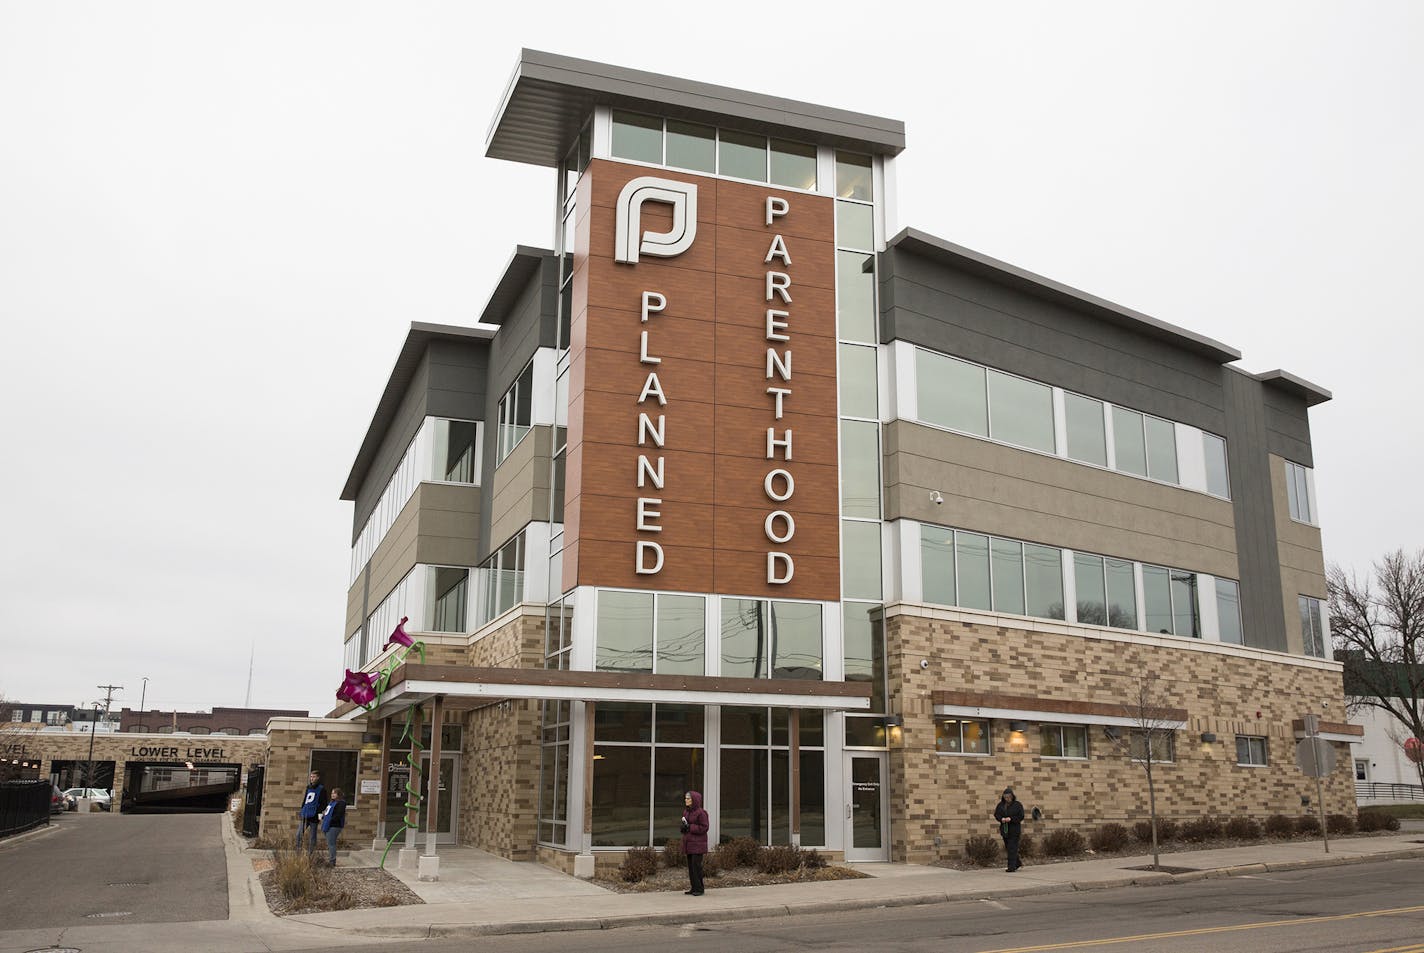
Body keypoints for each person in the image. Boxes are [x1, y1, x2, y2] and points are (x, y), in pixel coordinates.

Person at [680, 790, 709, 896]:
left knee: (696, 867)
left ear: (694, 800)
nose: (686, 800)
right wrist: (683, 828)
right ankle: (694, 887)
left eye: (688, 798)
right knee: (691, 867)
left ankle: (700, 888)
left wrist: (690, 827)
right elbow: (685, 828)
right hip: (689, 844)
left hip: (698, 845)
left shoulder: (701, 813)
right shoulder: (686, 812)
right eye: (686, 798)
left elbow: (704, 827)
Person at [994, 786, 1025, 872]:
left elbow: (1021, 816)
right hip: (1005, 830)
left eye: (1008, 797)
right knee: (1009, 848)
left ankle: (1011, 867)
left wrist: (1011, 819)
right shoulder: (1000, 805)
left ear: (1012, 796)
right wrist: (1001, 819)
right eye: (1005, 797)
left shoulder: (1017, 805)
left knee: (1012, 847)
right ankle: (1017, 863)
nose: (1007, 799)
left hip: (1014, 830)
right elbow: (997, 814)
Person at [296, 770, 327, 853]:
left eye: (313, 777)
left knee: (312, 837)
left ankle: (311, 854)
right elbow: (305, 800)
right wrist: (302, 809)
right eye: (311, 777)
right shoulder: (308, 787)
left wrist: (318, 812)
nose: (311, 778)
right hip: (305, 815)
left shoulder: (322, 789)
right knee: (298, 834)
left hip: (314, 816)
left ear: (317, 777)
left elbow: (324, 803)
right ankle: (298, 851)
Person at [321, 787, 347, 866]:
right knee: (329, 843)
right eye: (332, 793)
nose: (332, 795)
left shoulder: (341, 803)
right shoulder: (331, 803)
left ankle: (332, 861)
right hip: (327, 824)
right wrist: (323, 816)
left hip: (334, 826)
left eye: (334, 793)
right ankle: (331, 859)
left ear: (338, 794)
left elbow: (338, 815)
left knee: (331, 844)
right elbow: (327, 812)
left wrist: (330, 820)